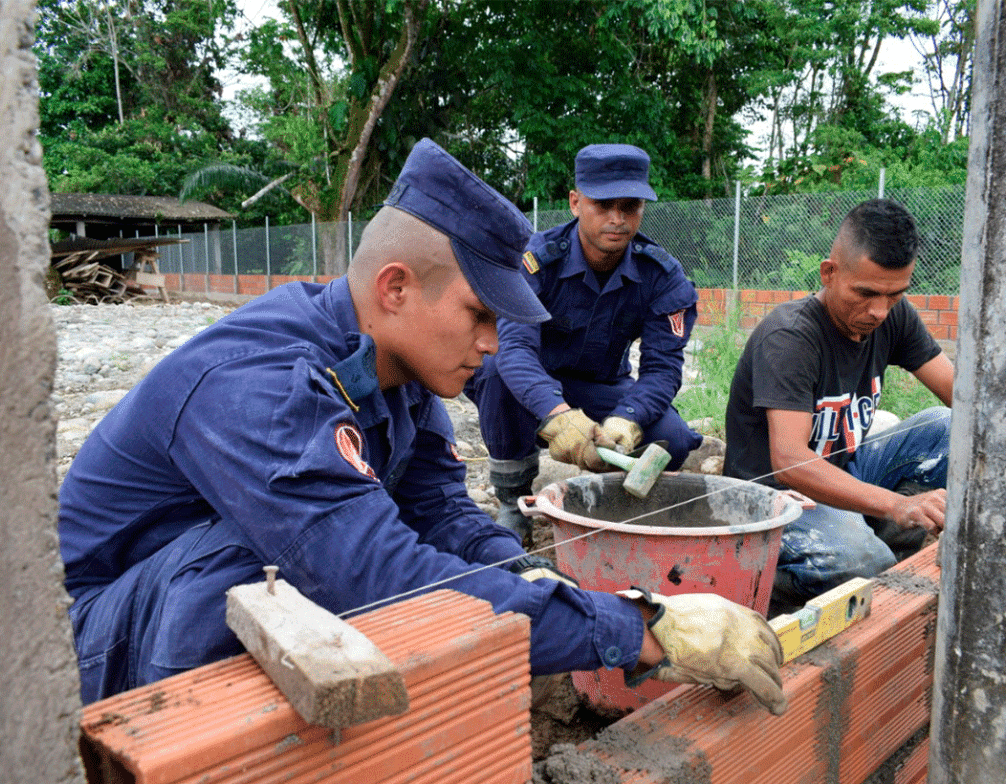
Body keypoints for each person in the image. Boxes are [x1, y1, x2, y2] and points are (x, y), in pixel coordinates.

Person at [58, 138, 788, 715]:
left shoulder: (399, 378)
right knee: (266, 567)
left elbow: (442, 513)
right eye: (480, 315)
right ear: (396, 287)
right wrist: (639, 628)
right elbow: (375, 576)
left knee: (422, 560)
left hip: (162, 606)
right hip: (95, 643)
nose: (497, 344)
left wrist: (533, 577)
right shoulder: (262, 384)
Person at [465, 143, 713, 545]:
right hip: (530, 385)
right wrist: (559, 416)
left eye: (629, 206)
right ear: (576, 202)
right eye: (603, 205)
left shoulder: (662, 276)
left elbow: (663, 368)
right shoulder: (535, 261)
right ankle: (514, 501)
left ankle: (620, 503)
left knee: (676, 436)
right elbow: (515, 351)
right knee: (493, 372)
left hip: (602, 386)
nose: (616, 219)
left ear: (642, 209)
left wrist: (626, 419)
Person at [724, 198, 954, 609]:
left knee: (946, 426)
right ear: (829, 273)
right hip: (776, 498)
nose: (879, 311)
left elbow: (964, 397)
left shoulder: (892, 316)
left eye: (895, 294)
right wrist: (897, 505)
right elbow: (790, 461)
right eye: (864, 294)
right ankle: (756, 579)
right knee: (866, 564)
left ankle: (871, 533)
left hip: (842, 471)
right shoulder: (791, 337)